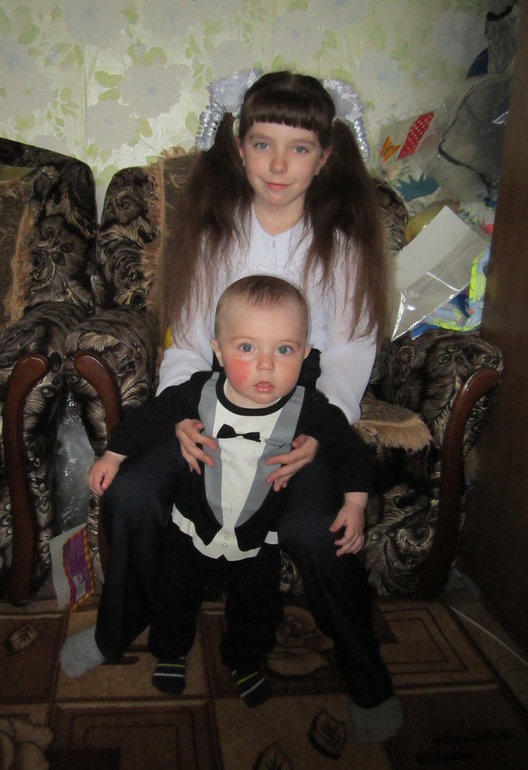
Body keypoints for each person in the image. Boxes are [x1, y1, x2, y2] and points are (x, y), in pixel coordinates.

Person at [61, 70, 402, 741]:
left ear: (325, 157)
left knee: (316, 532)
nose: (278, 165)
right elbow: (189, 343)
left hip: (301, 405)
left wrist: (314, 431)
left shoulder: (341, 241)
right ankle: (117, 626)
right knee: (132, 492)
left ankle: (365, 671)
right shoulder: (213, 234)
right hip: (211, 395)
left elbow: (353, 349)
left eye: (299, 148)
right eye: (263, 144)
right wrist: (186, 419)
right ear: (238, 147)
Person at [85, 275, 375, 707]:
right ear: (218, 352)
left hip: (258, 537)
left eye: (284, 350)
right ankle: (170, 651)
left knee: (257, 607)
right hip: (192, 526)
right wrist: (113, 455)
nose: (266, 365)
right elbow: (148, 418)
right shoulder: (197, 392)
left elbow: (351, 453)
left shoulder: (310, 410)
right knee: (174, 591)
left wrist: (354, 503)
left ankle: (245, 660)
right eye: (247, 348)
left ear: (306, 354)